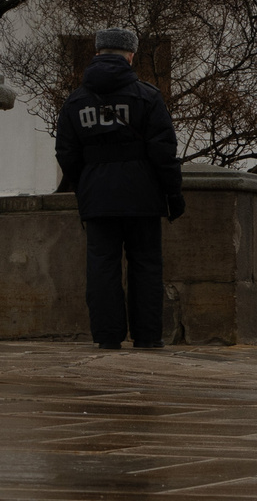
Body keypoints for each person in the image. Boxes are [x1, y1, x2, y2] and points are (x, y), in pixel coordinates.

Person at [54, 29, 183, 350]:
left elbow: (66, 153)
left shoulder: (75, 101)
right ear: (130, 56)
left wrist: (86, 183)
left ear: (97, 54)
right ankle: (148, 336)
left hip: (97, 197)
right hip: (143, 197)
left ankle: (107, 337)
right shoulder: (148, 97)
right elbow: (163, 151)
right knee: (146, 265)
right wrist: (173, 193)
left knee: (102, 267)